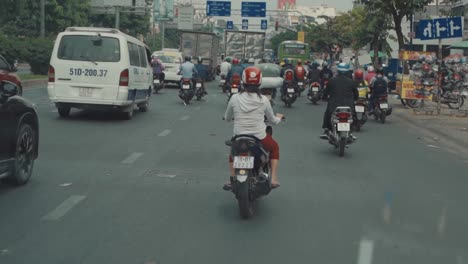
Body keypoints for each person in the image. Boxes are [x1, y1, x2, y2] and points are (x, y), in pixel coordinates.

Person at [223, 66, 284, 190]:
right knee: (275, 147)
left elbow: (228, 118)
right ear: (260, 82)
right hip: (259, 138)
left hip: (239, 137)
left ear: (243, 81)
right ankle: (273, 179)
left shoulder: (235, 98)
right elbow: (272, 120)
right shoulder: (264, 100)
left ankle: (233, 177)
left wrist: (229, 118)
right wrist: (279, 118)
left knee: (232, 153)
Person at [320, 62, 359, 138]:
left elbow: (326, 92)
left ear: (338, 70)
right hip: (348, 106)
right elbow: (356, 94)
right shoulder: (351, 82)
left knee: (328, 113)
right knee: (353, 115)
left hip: (334, 105)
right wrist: (354, 99)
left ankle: (326, 129)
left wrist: (324, 98)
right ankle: (353, 128)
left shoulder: (332, 81)